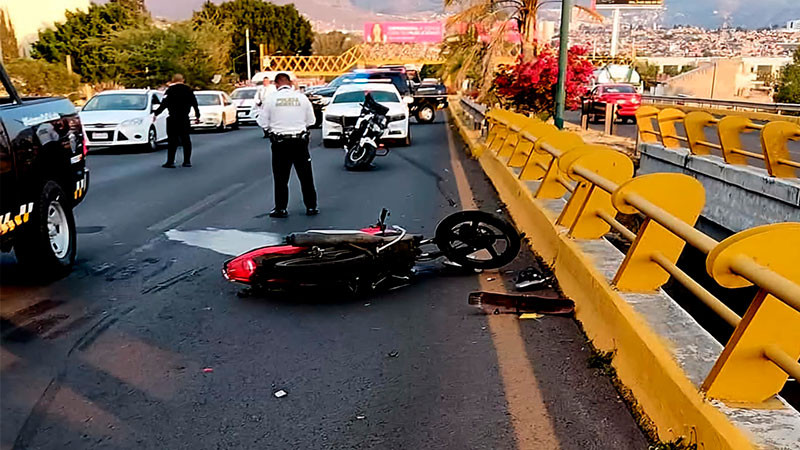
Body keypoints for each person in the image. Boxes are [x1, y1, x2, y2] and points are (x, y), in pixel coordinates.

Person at [260, 72, 317, 218]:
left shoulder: (271, 100)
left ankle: (281, 208)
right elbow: (311, 121)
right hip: (299, 142)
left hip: (280, 143)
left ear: (276, 84)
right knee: (305, 176)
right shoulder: (302, 98)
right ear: (290, 83)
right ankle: (311, 206)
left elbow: (263, 123)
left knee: (281, 178)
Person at [154, 73, 200, 168]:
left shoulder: (170, 91)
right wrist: (197, 116)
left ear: (173, 80)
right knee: (186, 140)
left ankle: (170, 162)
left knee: (172, 141)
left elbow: (164, 104)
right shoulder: (188, 90)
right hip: (184, 118)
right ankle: (187, 161)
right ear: (183, 80)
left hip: (173, 118)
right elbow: (194, 104)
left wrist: (156, 114)